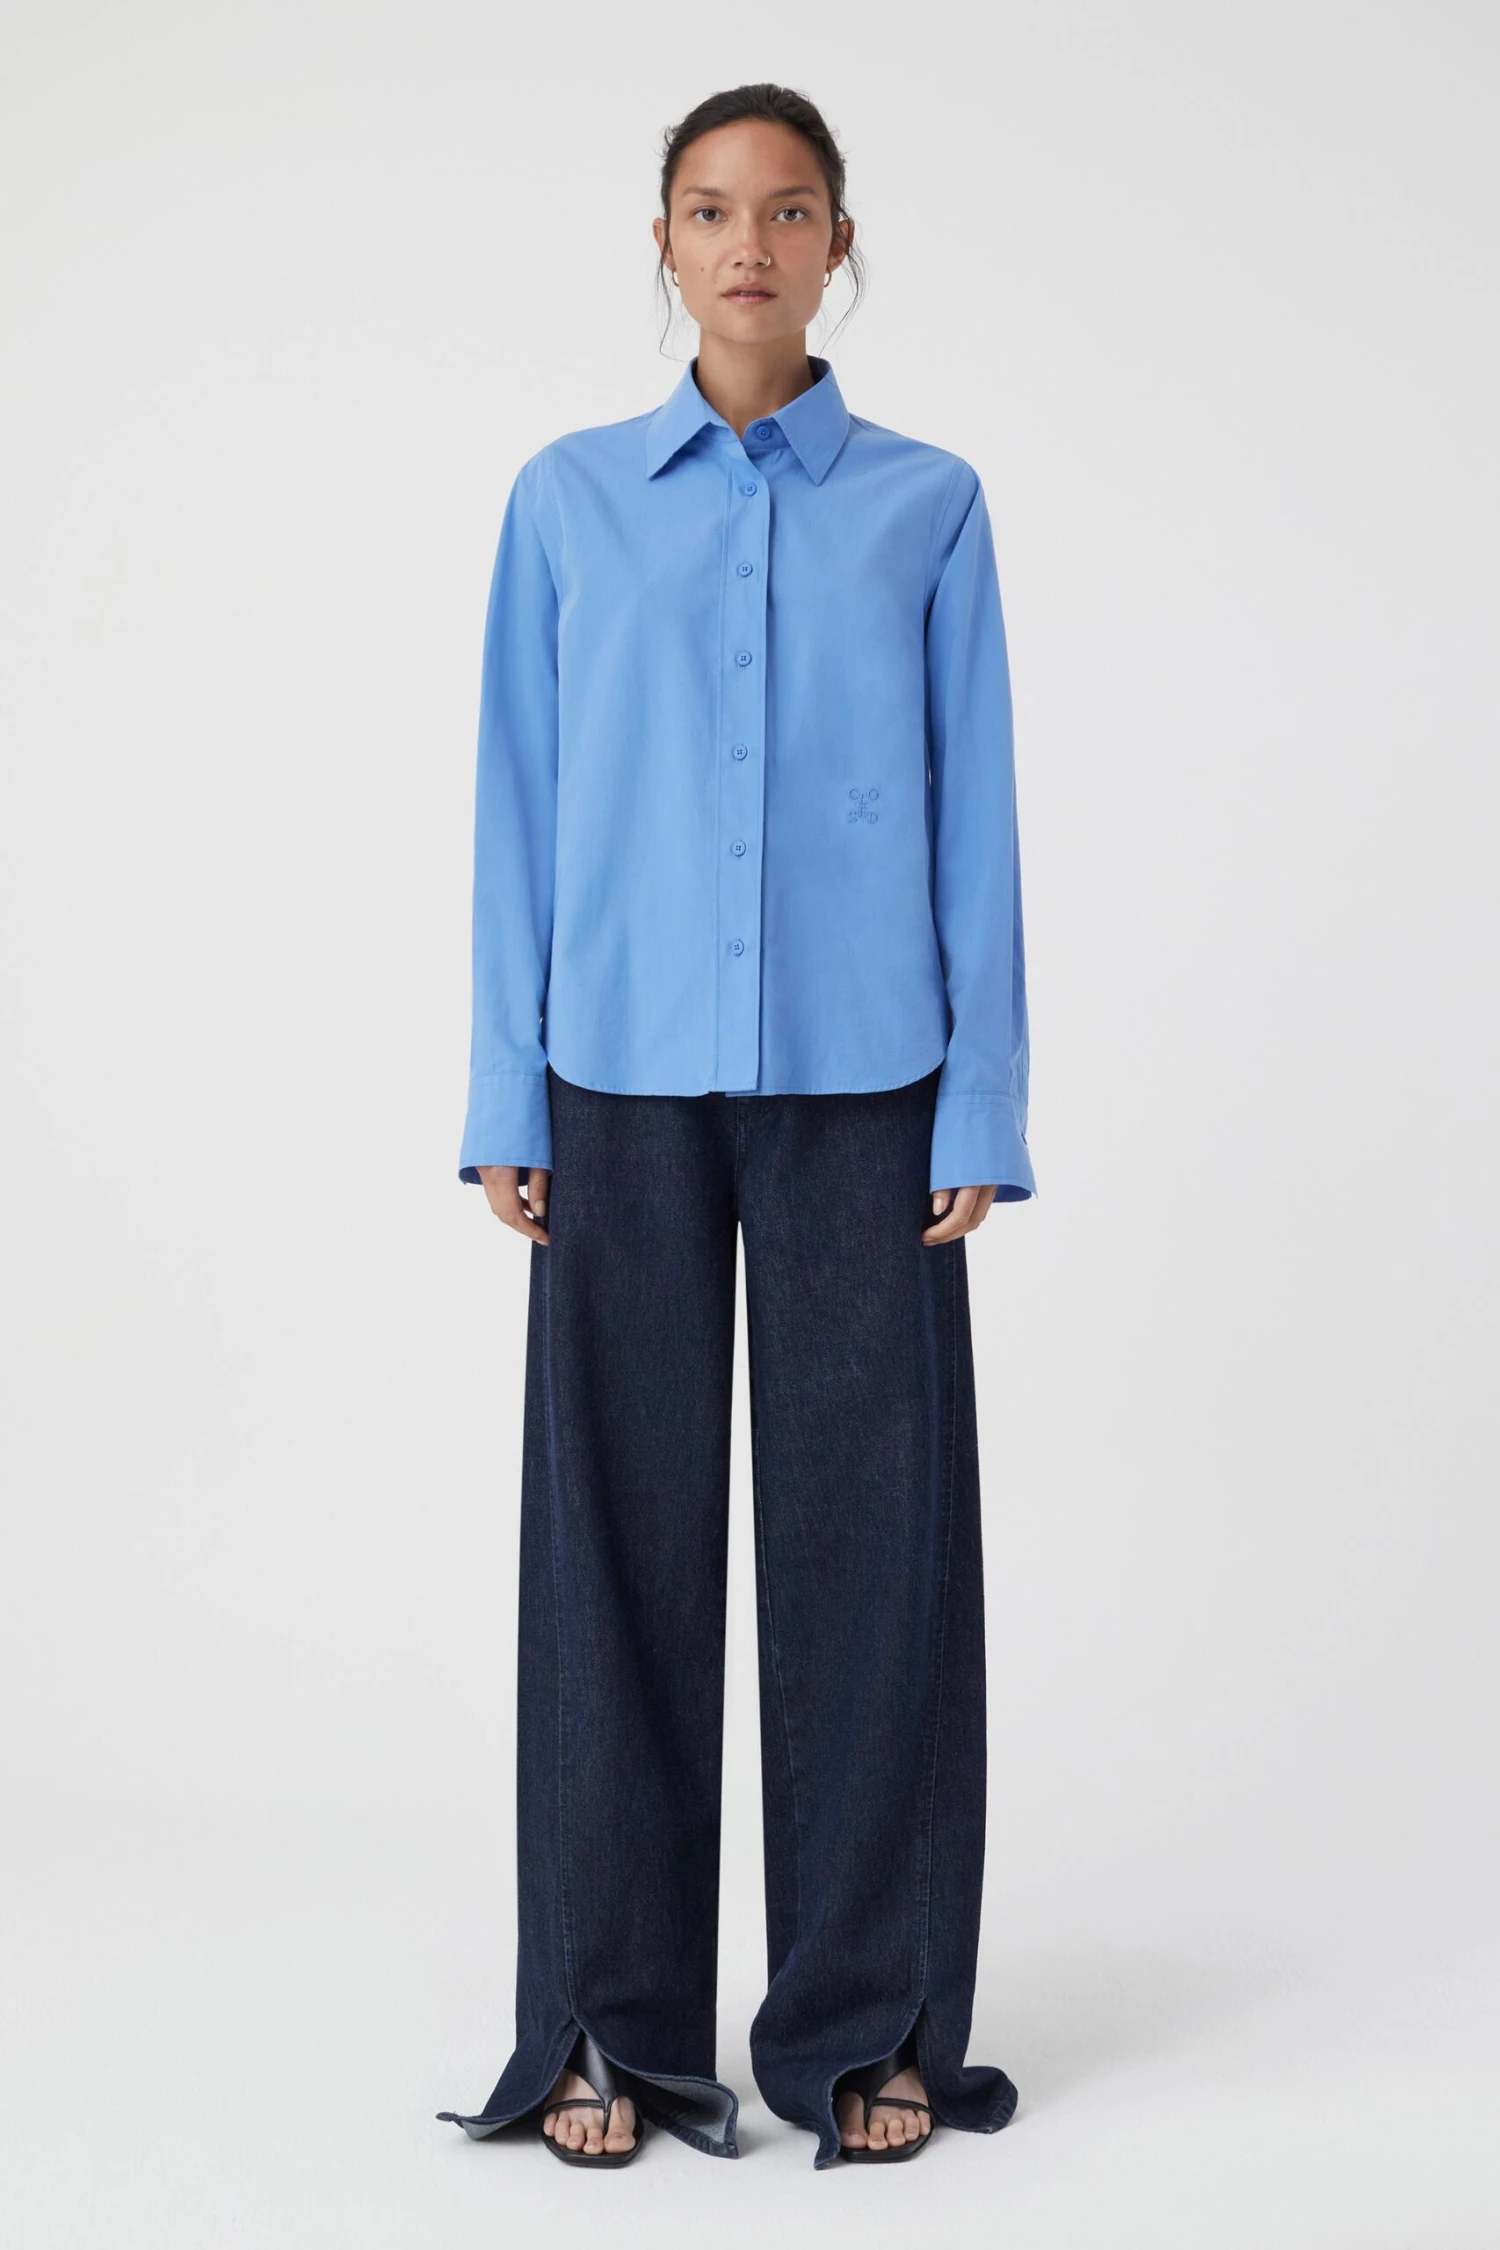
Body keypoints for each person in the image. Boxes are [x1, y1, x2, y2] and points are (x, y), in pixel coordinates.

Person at [436, 80, 1036, 2173]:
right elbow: (516, 806)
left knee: (877, 1559)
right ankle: (603, 2022)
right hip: (613, 1082)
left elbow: (978, 813)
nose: (750, 245)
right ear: (664, 243)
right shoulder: (567, 503)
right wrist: (505, 1086)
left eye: (788, 212)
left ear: (838, 244)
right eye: (711, 210)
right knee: (611, 1549)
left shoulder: (929, 506)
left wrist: (986, 1095)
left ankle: (868, 2021)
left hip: (872, 1094)